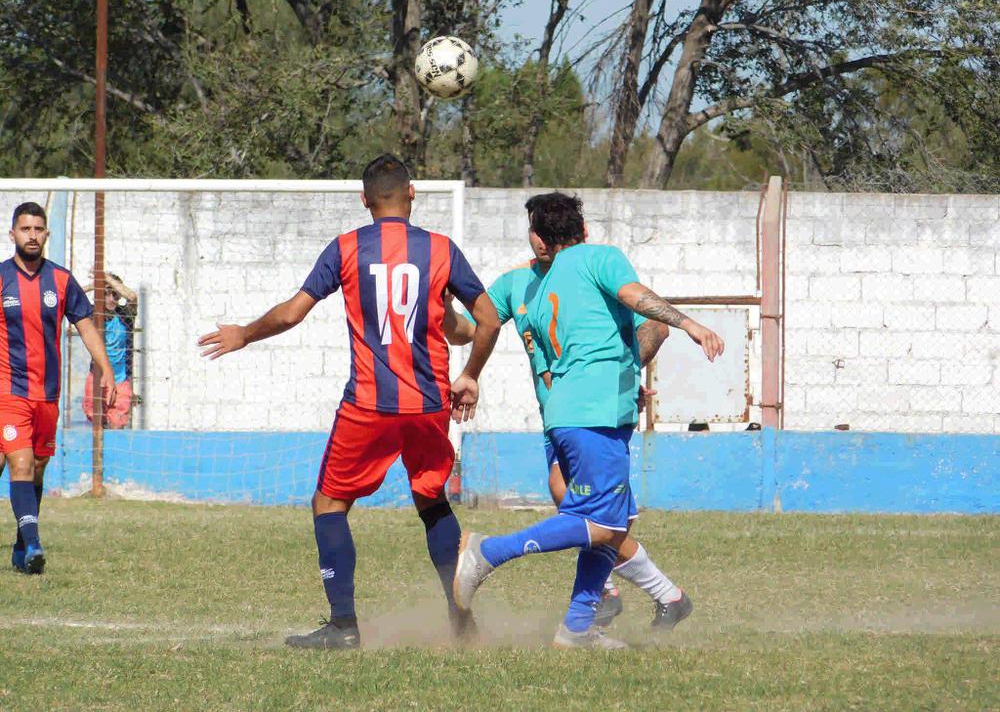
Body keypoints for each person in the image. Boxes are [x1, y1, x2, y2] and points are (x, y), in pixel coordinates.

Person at [198, 154, 500, 650]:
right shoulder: (441, 250)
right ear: (413, 193)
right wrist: (468, 375)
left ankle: (343, 626)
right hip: (428, 403)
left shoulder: (345, 249)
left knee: (330, 502)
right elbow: (485, 321)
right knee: (432, 500)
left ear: (364, 200)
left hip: (368, 404)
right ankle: (461, 622)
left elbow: (294, 312)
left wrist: (245, 334)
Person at [453, 192, 724, 649]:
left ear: (539, 237)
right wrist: (689, 324)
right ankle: (487, 553)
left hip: (576, 412)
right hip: (591, 413)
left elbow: (490, 327)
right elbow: (636, 298)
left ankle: (579, 628)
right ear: (584, 231)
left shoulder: (539, 285)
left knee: (610, 523)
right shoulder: (598, 258)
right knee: (599, 522)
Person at [1, 202, 117, 574]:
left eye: (38, 229)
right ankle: (34, 543)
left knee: (36, 468)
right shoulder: (1, 278)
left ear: (46, 234)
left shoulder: (62, 281)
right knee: (18, 463)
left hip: (47, 395)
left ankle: (21, 547)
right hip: (9, 391)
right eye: (25, 229)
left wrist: (106, 368)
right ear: (12, 234)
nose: (32, 235)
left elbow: (85, 325)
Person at [83, 271, 137, 429]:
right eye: (106, 293)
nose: (111, 299)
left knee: (118, 422)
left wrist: (107, 279)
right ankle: (98, 453)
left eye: (115, 294)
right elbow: (70, 296)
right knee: (96, 421)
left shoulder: (125, 315)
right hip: (97, 376)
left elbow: (132, 297)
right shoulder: (93, 313)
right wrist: (94, 286)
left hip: (120, 378)